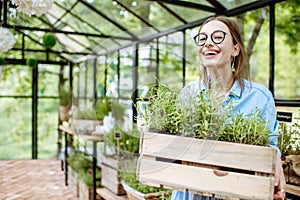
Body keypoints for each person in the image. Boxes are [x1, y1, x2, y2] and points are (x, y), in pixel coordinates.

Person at [171, 16, 286, 200]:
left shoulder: (259, 97)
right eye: (202, 38)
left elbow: (270, 147)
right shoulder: (188, 95)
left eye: (217, 37)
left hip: (237, 193)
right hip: (189, 193)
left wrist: (275, 163)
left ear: (235, 48)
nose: (208, 43)